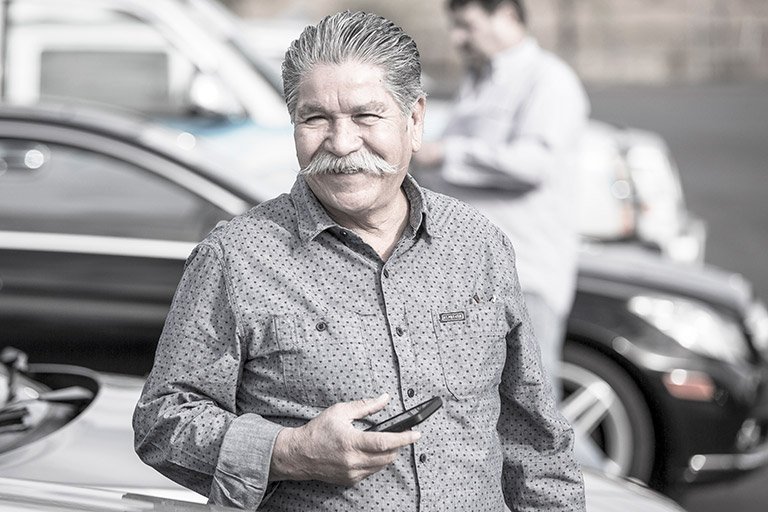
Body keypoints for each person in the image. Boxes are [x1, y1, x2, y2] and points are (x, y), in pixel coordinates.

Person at [133, 10, 585, 512]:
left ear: (414, 120)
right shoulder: (235, 258)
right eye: (316, 118)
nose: (342, 143)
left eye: (366, 116)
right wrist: (288, 451)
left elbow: (535, 439)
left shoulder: (478, 244)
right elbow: (163, 421)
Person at [414, 0, 590, 399]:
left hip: (524, 275)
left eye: (467, 26)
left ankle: (597, 468)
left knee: (536, 411)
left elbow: (535, 164)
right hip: (476, 276)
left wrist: (446, 153)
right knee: (494, 412)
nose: (457, 38)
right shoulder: (479, 80)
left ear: (508, 16)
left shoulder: (547, 80)